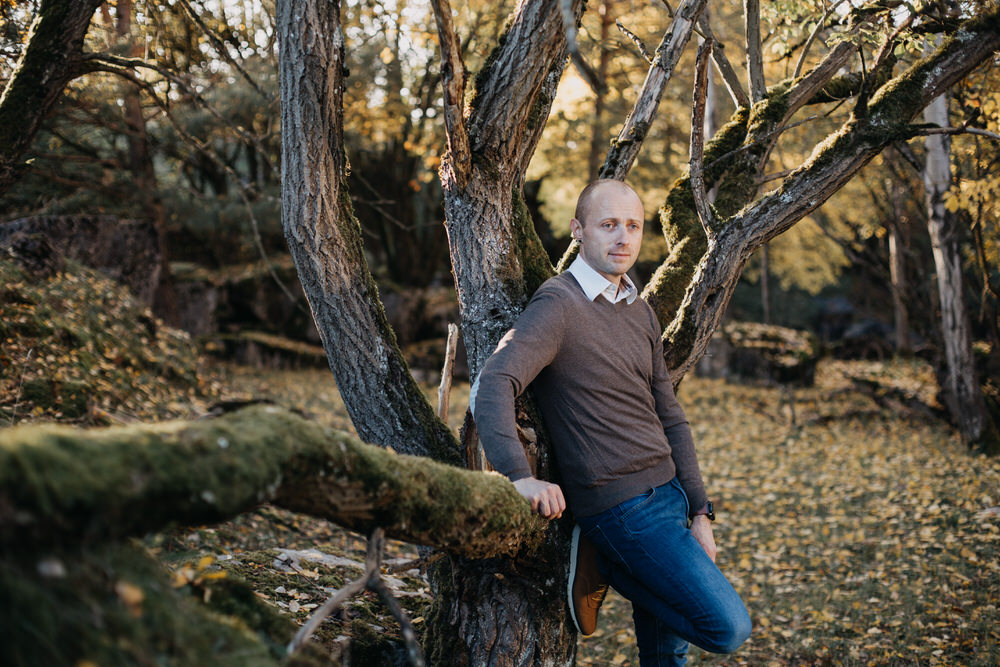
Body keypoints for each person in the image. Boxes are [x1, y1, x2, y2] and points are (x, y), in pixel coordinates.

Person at [470, 180, 751, 665]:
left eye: (633, 226)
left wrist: (700, 510)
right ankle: (610, 562)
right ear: (579, 231)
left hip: (669, 496)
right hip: (621, 507)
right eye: (608, 225)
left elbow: (670, 415)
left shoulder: (638, 310)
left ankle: (615, 564)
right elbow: (494, 382)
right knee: (726, 627)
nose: (623, 238)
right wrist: (519, 477)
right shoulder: (558, 305)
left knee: (669, 657)